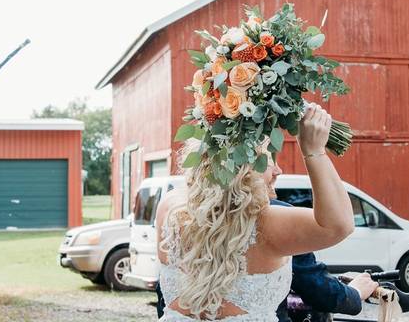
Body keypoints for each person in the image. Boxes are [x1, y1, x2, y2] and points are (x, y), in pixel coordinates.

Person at [155, 103, 365, 321]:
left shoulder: (169, 209)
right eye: (269, 159)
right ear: (242, 168)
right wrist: (314, 151)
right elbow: (340, 225)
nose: (278, 170)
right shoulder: (267, 224)